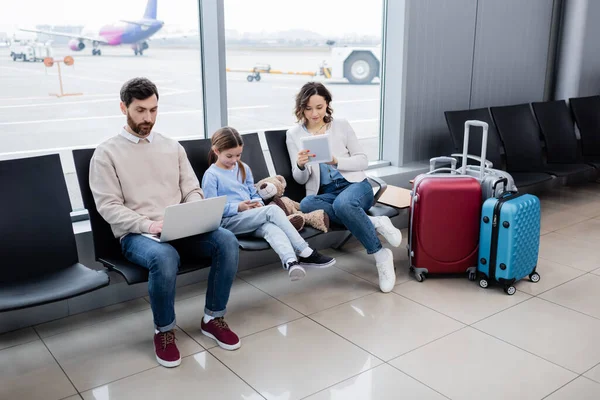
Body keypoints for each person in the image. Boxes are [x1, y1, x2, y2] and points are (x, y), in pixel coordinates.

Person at [89, 77, 241, 368]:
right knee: (165, 256)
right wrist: (149, 226)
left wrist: (194, 211)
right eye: (141, 110)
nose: (148, 118)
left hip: (181, 227)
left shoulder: (172, 147)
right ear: (124, 108)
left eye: (154, 110)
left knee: (226, 240)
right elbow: (108, 207)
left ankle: (213, 317)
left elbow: (192, 189)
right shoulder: (106, 154)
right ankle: (165, 330)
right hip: (138, 235)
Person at [286, 82, 402, 293]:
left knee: (344, 204)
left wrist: (335, 161)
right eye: (309, 108)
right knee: (307, 203)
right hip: (326, 193)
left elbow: (363, 160)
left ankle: (380, 255)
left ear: (327, 105)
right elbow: (301, 179)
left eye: (319, 107)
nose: (314, 113)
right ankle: (375, 222)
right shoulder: (293, 134)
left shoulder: (341, 125)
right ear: (301, 108)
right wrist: (300, 165)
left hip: (356, 186)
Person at [202, 126, 336, 281]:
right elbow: (212, 211)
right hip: (229, 222)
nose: (234, 160)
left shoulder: (243, 168)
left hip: (250, 218)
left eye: (238, 155)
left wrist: (257, 203)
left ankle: (291, 262)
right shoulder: (211, 176)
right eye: (229, 156)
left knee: (270, 228)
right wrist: (238, 207)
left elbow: (253, 193)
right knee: (272, 210)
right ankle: (305, 250)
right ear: (216, 151)